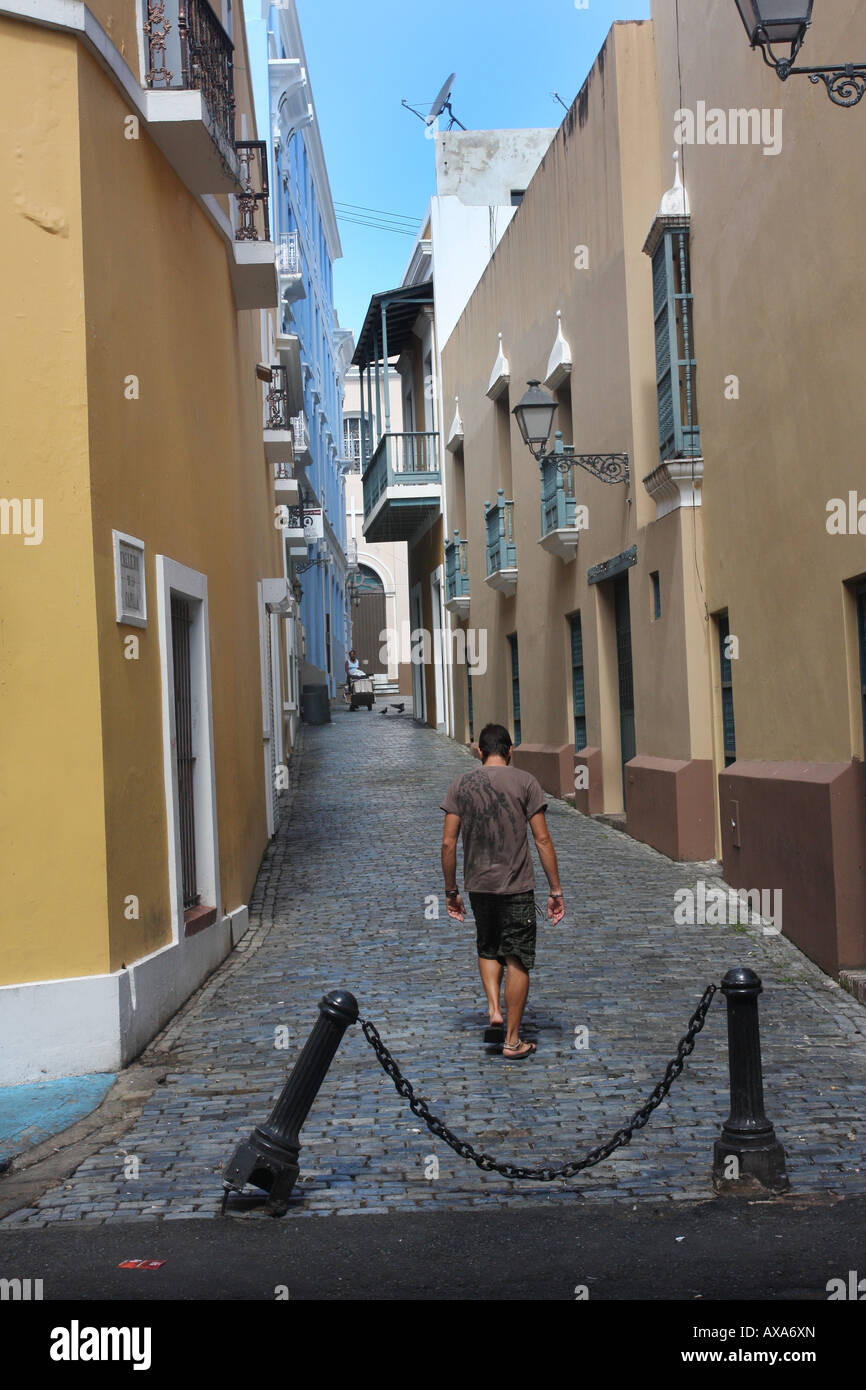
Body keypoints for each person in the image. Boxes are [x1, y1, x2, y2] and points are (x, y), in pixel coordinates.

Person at [440, 723, 565, 1060]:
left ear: (480, 751)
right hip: (516, 886)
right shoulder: (526, 782)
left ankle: (495, 1010)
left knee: (488, 944)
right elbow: (542, 839)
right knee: (517, 957)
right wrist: (556, 889)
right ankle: (512, 1040)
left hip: (478, 885)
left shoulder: (460, 785)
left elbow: (449, 841)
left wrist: (451, 890)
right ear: (510, 751)